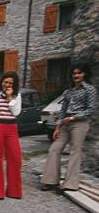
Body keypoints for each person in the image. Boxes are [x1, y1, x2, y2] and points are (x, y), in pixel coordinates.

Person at [41, 63, 97, 194]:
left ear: (85, 74)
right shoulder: (68, 91)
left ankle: (70, 184)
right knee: (54, 149)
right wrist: (57, 127)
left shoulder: (90, 89)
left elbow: (91, 110)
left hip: (80, 123)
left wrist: (73, 118)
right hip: (65, 123)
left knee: (74, 151)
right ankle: (50, 181)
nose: (76, 75)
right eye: (74, 73)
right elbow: (62, 110)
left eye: (79, 73)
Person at [0, 72, 23, 199]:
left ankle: (14, 191)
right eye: (5, 82)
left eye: (10, 83)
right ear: (1, 82)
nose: (7, 85)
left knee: (15, 158)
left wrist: (10, 98)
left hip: (12, 128)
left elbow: (16, 112)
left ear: (14, 85)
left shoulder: (17, 96)